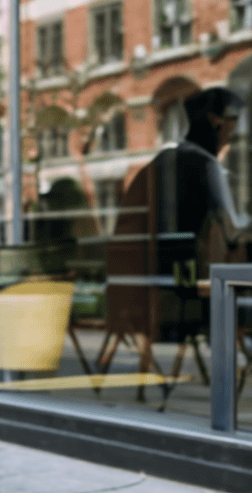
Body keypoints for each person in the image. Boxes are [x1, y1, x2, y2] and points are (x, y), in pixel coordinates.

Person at [104, 87, 247, 382]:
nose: (236, 129)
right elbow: (234, 232)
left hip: (142, 297)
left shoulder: (157, 166)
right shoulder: (207, 167)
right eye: (233, 119)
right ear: (216, 121)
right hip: (185, 301)